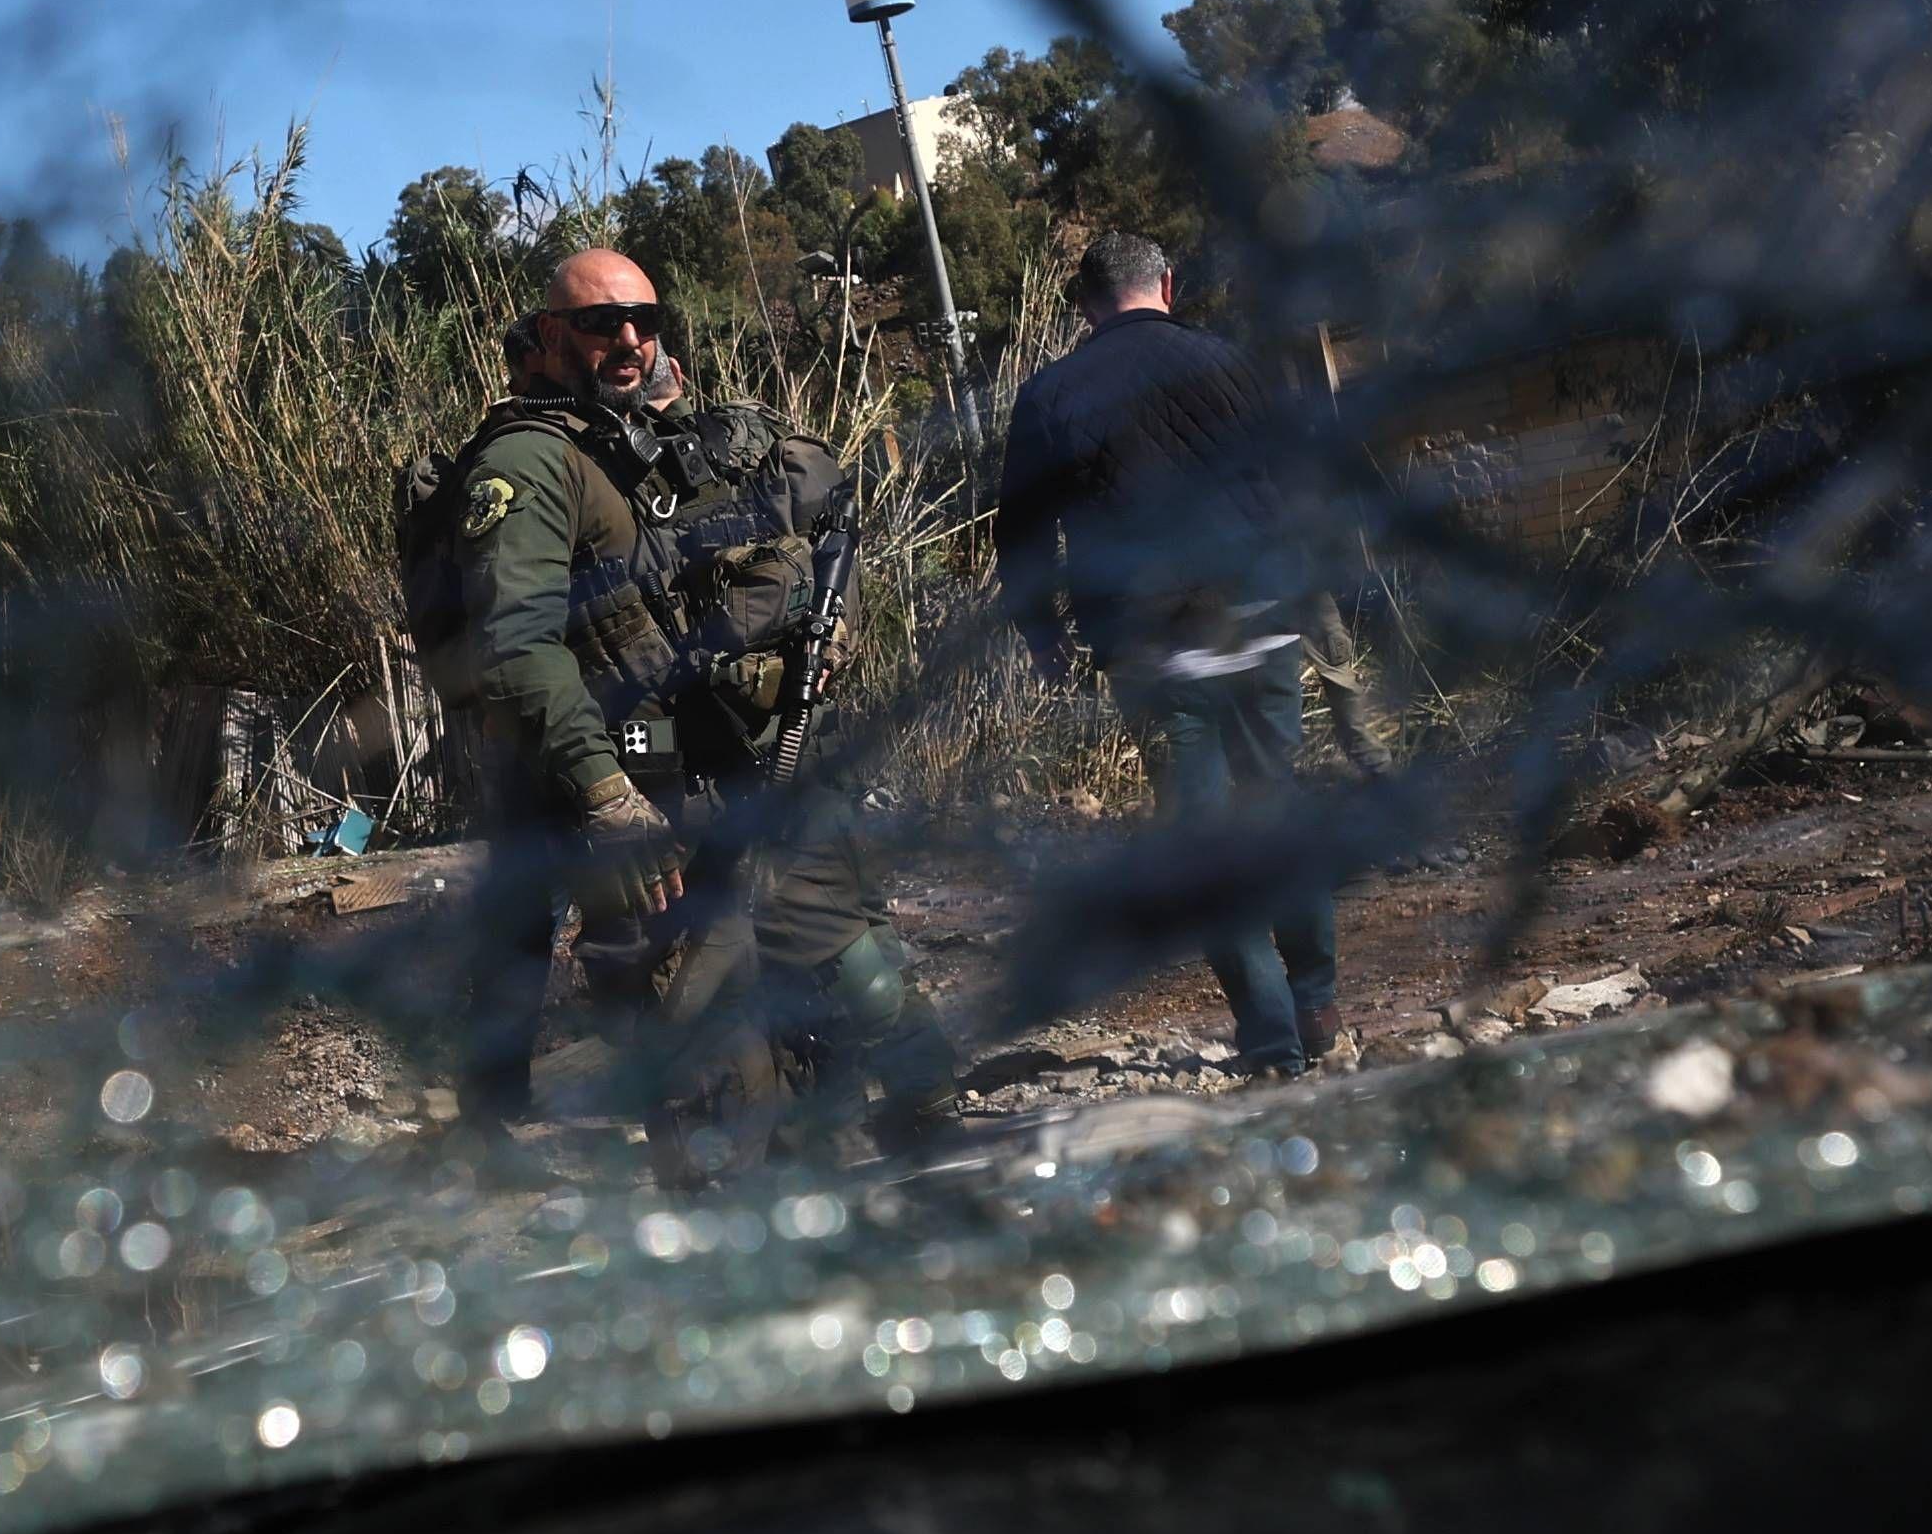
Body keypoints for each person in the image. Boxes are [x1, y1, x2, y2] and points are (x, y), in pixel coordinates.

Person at [414, 247, 928, 1136]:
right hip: (622, 778)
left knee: (825, 942)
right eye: (600, 323)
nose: (628, 339)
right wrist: (605, 793)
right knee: (679, 1003)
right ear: (546, 338)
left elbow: (778, 529)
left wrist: (822, 630)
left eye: (643, 322)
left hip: (727, 758)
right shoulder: (532, 459)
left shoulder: (654, 440)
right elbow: (517, 644)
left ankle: (867, 1124)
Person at [990, 232, 1340, 1074]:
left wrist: (1045, 640)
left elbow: (1023, 537)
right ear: (1169, 286)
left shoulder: (1049, 396)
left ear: (1084, 302)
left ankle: (1271, 1041)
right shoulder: (1231, 363)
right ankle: (1317, 996)